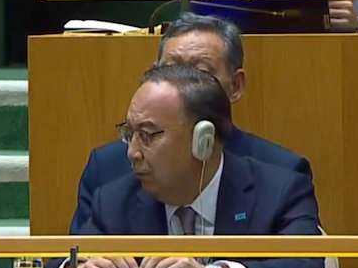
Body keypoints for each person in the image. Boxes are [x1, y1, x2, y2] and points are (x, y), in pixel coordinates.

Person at [49, 65, 324, 268]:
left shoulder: (279, 191)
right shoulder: (114, 201)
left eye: (148, 135)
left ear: (203, 139)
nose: (132, 153)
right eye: (129, 134)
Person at [71, 13, 312, 232]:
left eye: (201, 73)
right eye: (170, 71)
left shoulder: (282, 176)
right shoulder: (108, 175)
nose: (181, 85)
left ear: (235, 85)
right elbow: (71, 257)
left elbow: (301, 261)